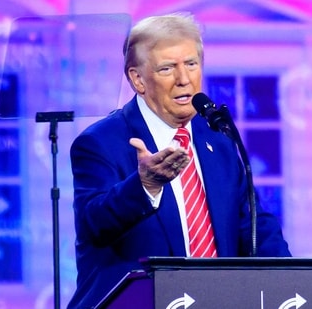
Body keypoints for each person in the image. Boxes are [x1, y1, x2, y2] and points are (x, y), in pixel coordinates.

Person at [67, 12, 291, 308]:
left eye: (191, 64)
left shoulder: (217, 138)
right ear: (138, 79)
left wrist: (291, 280)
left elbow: (254, 226)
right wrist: (145, 185)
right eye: (167, 68)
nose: (184, 79)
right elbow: (94, 224)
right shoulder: (100, 143)